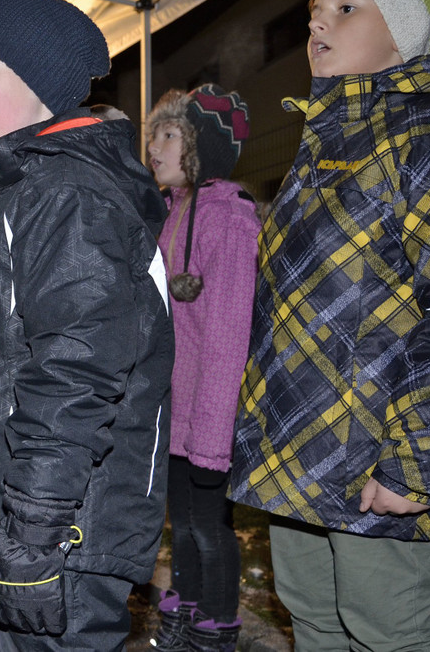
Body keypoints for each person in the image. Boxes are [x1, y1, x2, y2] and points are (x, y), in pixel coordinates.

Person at [229, 0, 430, 651]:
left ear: (406, 30)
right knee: (311, 613)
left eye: (345, 8)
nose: (317, 26)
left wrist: (418, 460)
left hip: (379, 450)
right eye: (313, 15)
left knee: (390, 626)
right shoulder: (328, 138)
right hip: (301, 445)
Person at [0, 0, 172, 650]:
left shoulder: (65, 195)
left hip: (64, 522)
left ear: (43, 75)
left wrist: (35, 528)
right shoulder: (15, 195)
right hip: (32, 511)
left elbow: (75, 370)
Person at [145, 85, 259, 650]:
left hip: (207, 409)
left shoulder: (229, 219)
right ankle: (187, 604)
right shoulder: (171, 213)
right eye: (154, 136)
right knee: (183, 522)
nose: (154, 148)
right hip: (176, 407)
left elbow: (228, 333)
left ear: (199, 146)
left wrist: (214, 431)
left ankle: (217, 623)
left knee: (209, 526)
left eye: (169, 135)